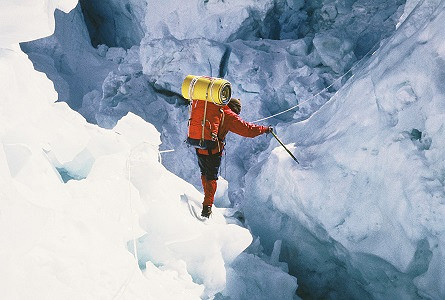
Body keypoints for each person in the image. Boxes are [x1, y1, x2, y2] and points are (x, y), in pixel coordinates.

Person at [196, 98, 272, 218]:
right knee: (211, 177)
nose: (238, 114)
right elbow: (248, 130)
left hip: (200, 146)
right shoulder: (229, 115)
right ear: (235, 108)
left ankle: (207, 200)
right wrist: (265, 129)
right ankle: (207, 208)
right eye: (238, 111)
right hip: (213, 151)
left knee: (205, 174)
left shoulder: (214, 110)